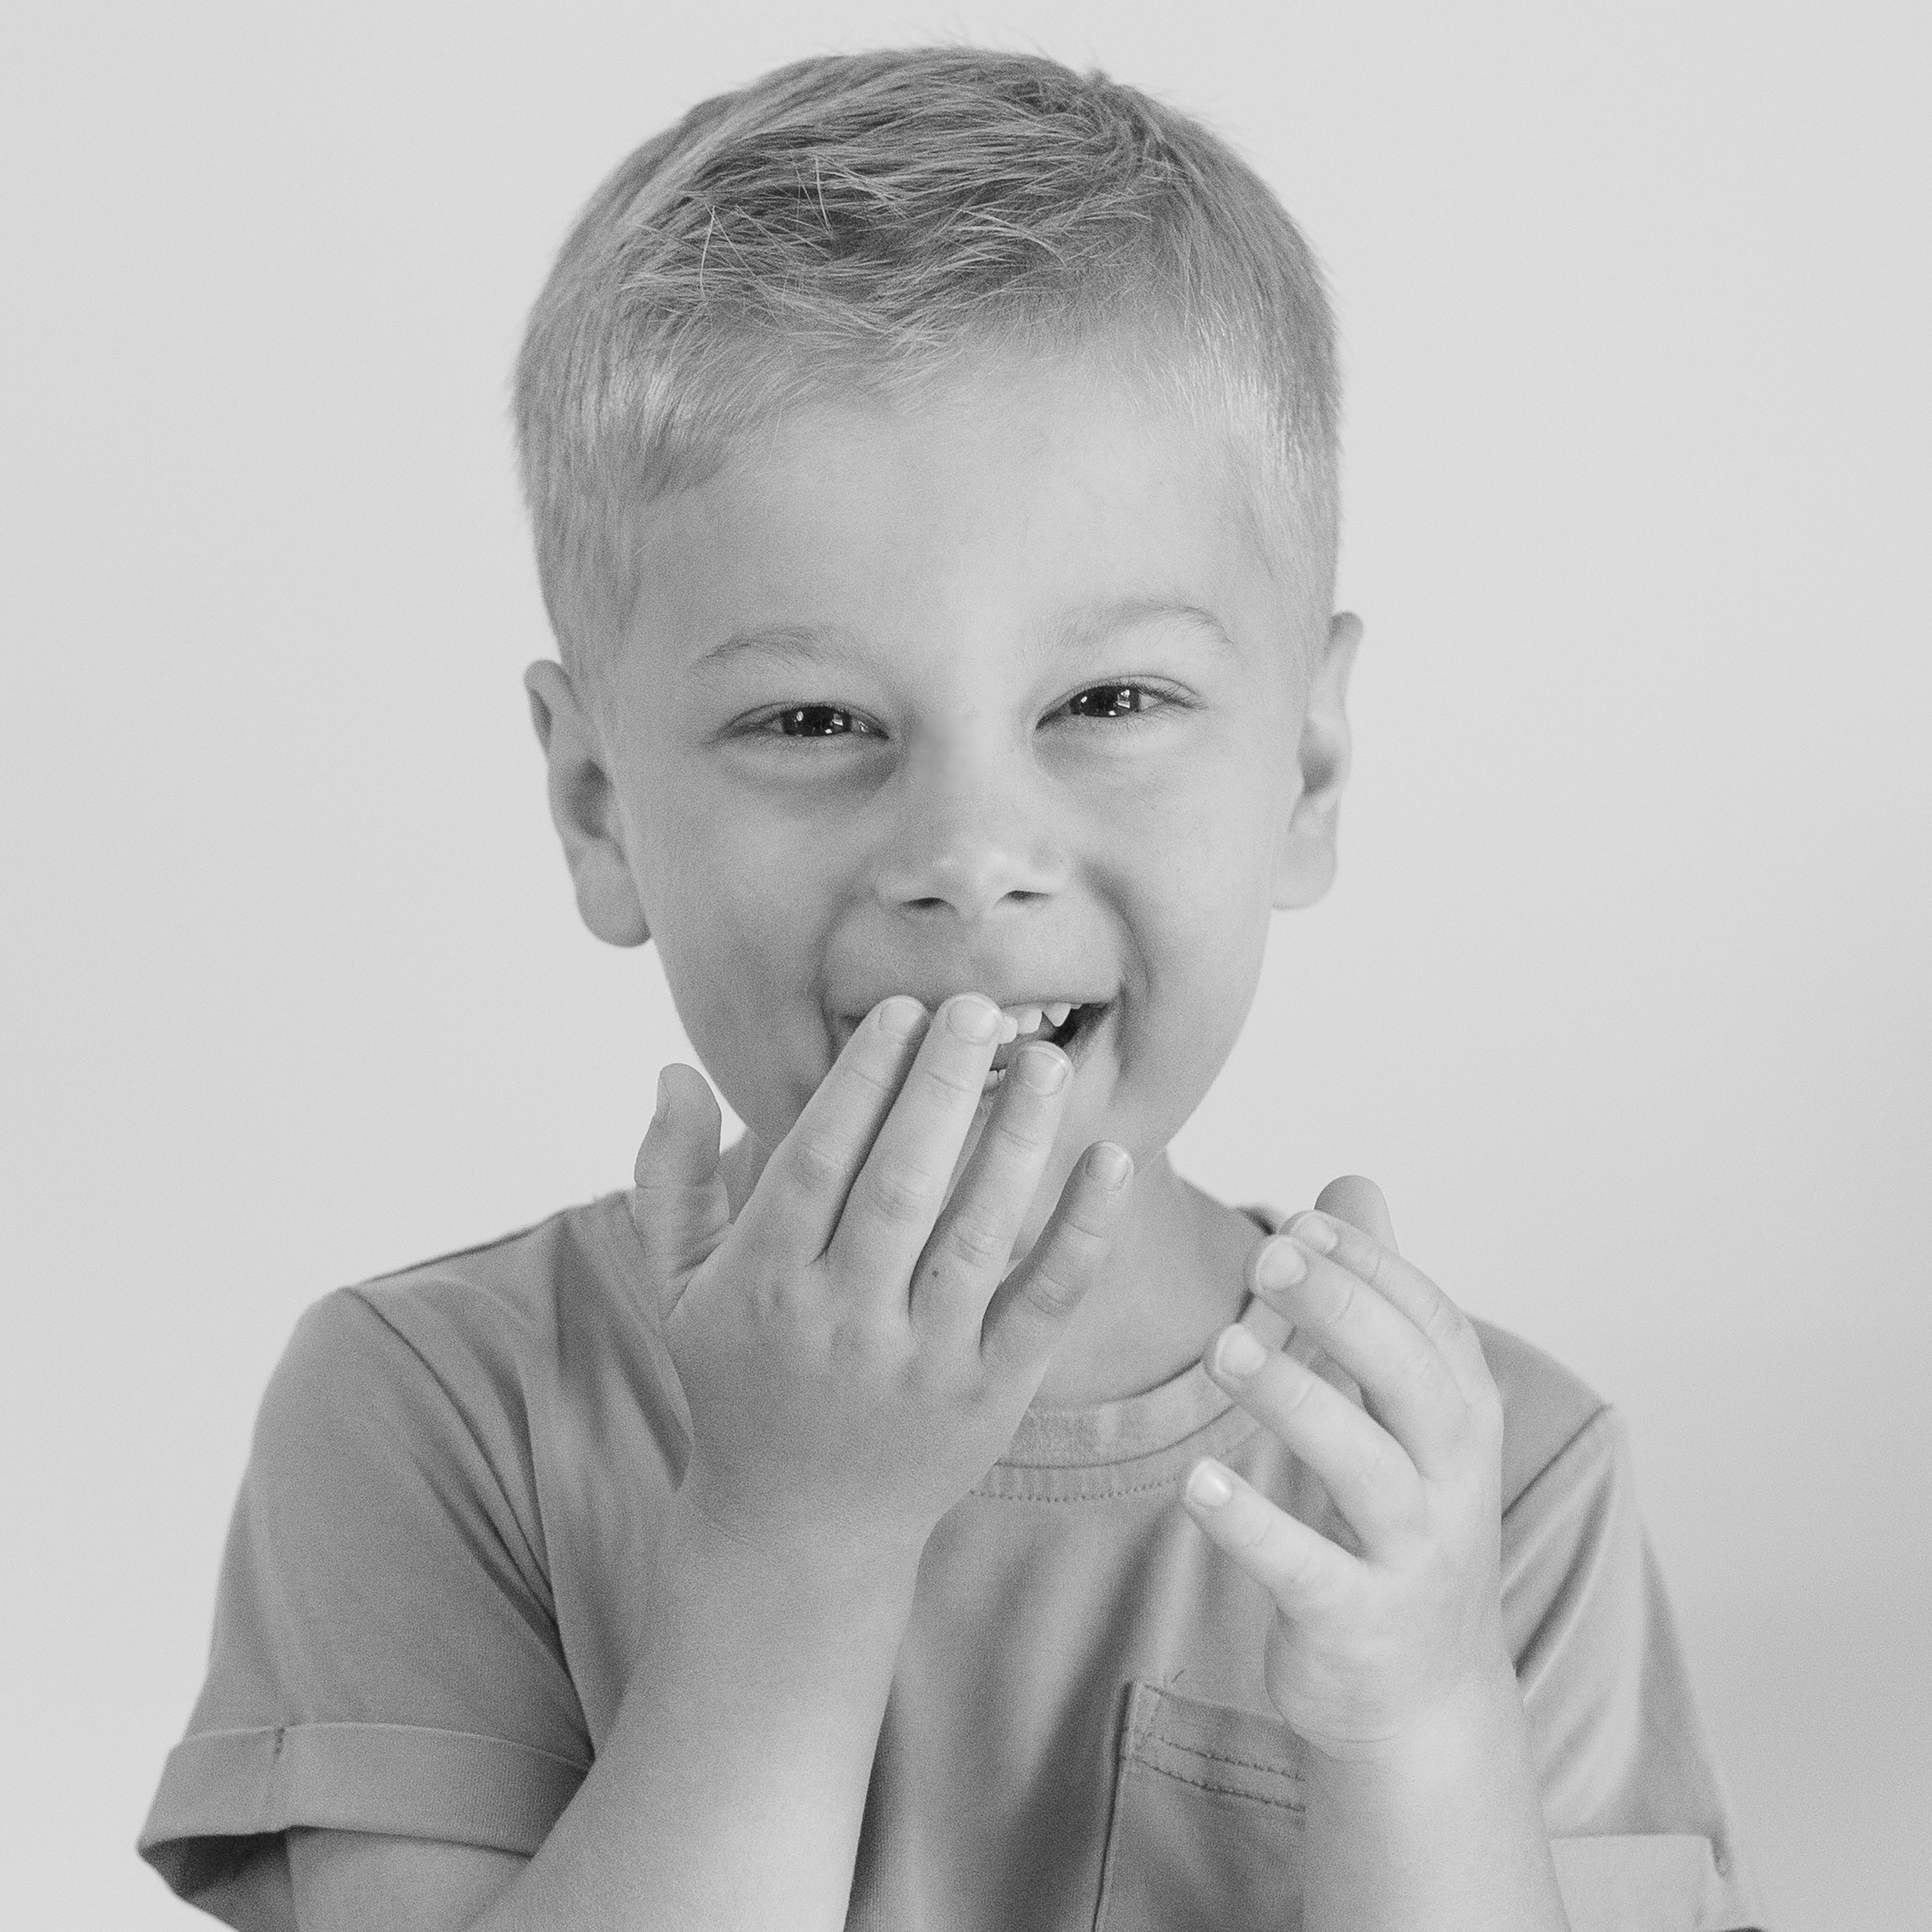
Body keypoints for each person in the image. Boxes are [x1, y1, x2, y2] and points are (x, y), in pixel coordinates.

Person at [139, 45, 1768, 1932]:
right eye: (813, 719)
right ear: (597, 803)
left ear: (1305, 773)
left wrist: (1420, 1719)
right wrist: (791, 1537)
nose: (970, 846)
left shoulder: (1473, 1474)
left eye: (1110, 702)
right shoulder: (439, 1411)